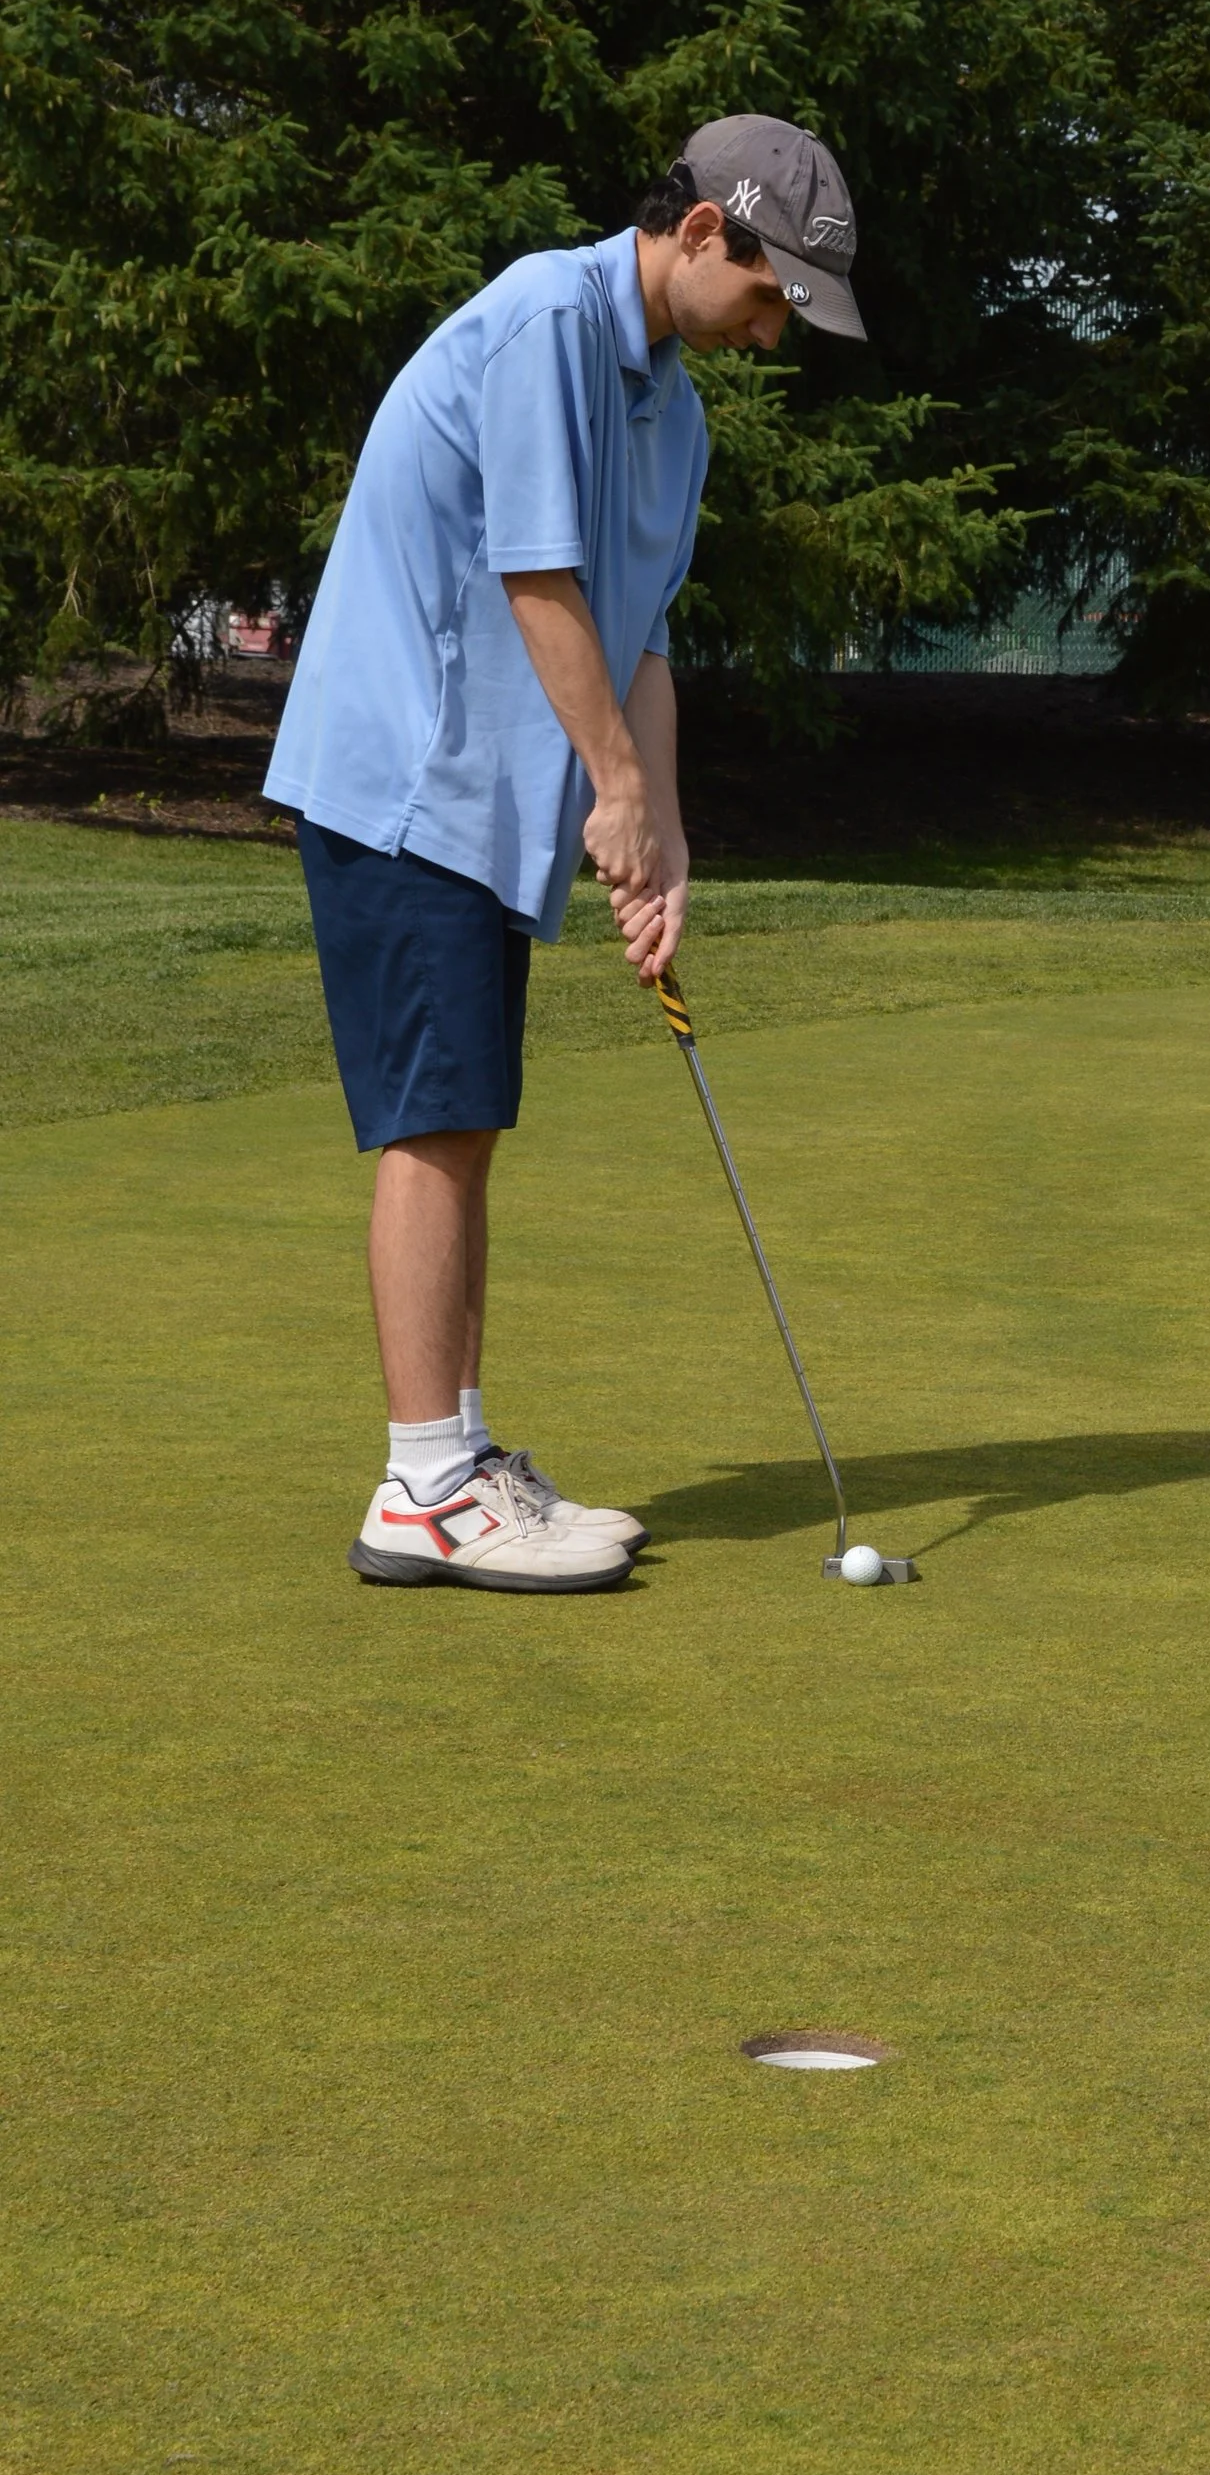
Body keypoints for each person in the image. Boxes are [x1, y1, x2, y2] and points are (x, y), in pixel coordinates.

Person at [263, 115, 866, 1593]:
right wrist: (607, 788)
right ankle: (420, 1483)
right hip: (403, 777)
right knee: (435, 1121)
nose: (777, 332)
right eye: (776, 293)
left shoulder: (681, 412)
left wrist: (657, 835)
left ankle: (461, 1454)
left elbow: (640, 633)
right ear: (708, 232)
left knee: (466, 1123)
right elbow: (536, 578)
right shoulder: (543, 316)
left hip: (477, 800)